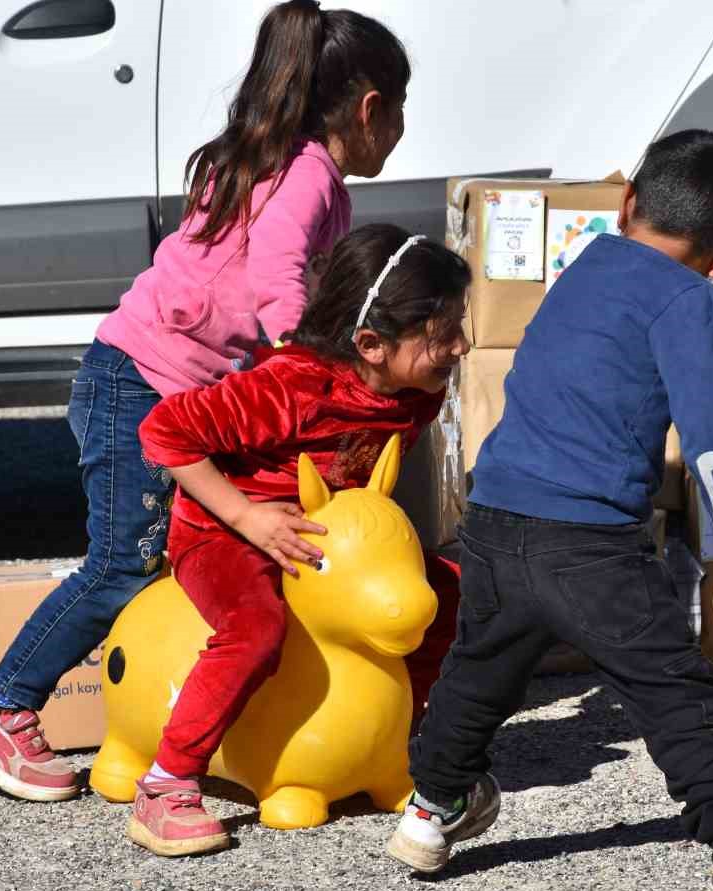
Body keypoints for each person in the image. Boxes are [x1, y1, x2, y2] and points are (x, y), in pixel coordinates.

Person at [0, 0, 410, 802]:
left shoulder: (269, 159)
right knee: (123, 562)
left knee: (156, 555)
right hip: (139, 385)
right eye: (400, 114)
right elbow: (277, 276)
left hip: (149, 378)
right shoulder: (307, 176)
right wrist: (307, 364)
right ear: (370, 109)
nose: (399, 133)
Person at [384, 130, 713, 891]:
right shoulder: (692, 301)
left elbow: (647, 360)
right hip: (594, 550)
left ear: (629, 203)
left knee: (478, 678)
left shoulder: (588, 271)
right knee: (677, 696)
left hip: (497, 526)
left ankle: (429, 812)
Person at [126, 225, 472, 855]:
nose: (463, 345)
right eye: (443, 334)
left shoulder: (413, 392)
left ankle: (400, 739)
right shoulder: (289, 388)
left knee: (447, 598)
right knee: (254, 627)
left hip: (322, 545)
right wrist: (248, 519)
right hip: (224, 533)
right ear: (370, 343)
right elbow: (165, 432)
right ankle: (167, 781)